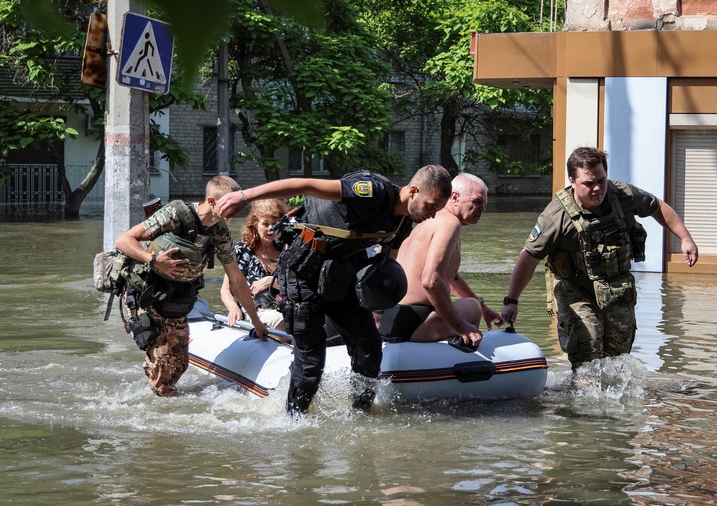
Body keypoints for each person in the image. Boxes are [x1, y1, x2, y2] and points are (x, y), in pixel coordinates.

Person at [215, 165, 452, 415]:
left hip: (341, 274)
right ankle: (293, 422)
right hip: (302, 271)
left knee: (369, 346)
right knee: (311, 364)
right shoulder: (371, 192)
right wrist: (244, 196)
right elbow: (304, 185)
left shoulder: (403, 223)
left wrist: (377, 308)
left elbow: (384, 266)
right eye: (431, 205)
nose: (433, 215)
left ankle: (360, 415)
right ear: (413, 191)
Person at [501, 146, 698, 373]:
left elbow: (657, 207)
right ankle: (581, 401)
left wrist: (685, 238)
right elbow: (528, 258)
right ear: (572, 180)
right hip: (576, 290)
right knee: (587, 348)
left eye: (602, 181)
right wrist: (511, 301)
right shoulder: (556, 217)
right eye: (588, 183)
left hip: (616, 287)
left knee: (618, 359)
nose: (597, 189)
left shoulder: (623, 195)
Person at [114, 176, 269, 397]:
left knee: (180, 363)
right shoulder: (175, 215)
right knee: (163, 365)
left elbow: (237, 280)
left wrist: (256, 322)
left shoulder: (219, 232)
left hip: (175, 296)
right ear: (212, 201)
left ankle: (159, 396)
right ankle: (159, 420)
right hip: (144, 293)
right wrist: (154, 260)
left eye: (238, 205)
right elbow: (123, 240)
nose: (235, 211)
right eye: (230, 204)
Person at [378, 173, 503, 348]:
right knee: (472, 307)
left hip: (390, 319)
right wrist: (460, 325)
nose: (482, 208)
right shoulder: (450, 223)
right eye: (476, 201)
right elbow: (431, 281)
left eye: (484, 204)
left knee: (476, 304)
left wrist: (485, 308)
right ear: (455, 197)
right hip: (414, 322)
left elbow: (451, 277)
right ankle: (464, 355)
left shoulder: (428, 221)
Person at [221, 199, 288, 330]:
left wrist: (271, 281)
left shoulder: (286, 251)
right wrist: (233, 308)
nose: (271, 229)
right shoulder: (242, 250)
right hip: (256, 311)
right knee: (283, 320)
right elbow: (226, 289)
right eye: (265, 224)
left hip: (284, 307)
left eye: (275, 224)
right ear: (255, 224)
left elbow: (296, 286)